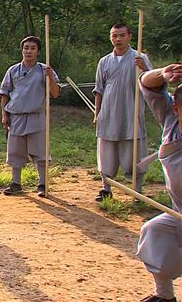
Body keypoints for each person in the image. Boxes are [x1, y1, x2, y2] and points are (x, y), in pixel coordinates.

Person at [137, 63, 182, 302]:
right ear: (176, 107)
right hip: (179, 214)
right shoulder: (170, 122)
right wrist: (163, 74)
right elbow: (145, 82)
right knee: (155, 231)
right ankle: (165, 297)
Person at [92, 23, 152, 201]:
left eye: (121, 35)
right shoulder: (104, 61)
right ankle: (106, 188)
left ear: (129, 36)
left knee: (133, 152)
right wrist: (97, 113)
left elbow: (152, 84)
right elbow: (99, 89)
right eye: (114, 35)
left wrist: (145, 69)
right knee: (106, 151)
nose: (118, 39)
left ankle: (137, 191)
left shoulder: (139, 58)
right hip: (108, 112)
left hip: (130, 112)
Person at [0, 36, 60, 197]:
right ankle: (16, 183)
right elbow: (4, 94)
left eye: (32, 48)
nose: (28, 51)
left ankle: (43, 184)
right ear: (22, 50)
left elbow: (55, 93)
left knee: (40, 151)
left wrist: (51, 77)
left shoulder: (44, 70)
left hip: (37, 115)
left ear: (38, 51)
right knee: (15, 151)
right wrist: (4, 114)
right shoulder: (13, 70)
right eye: (26, 48)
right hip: (16, 116)